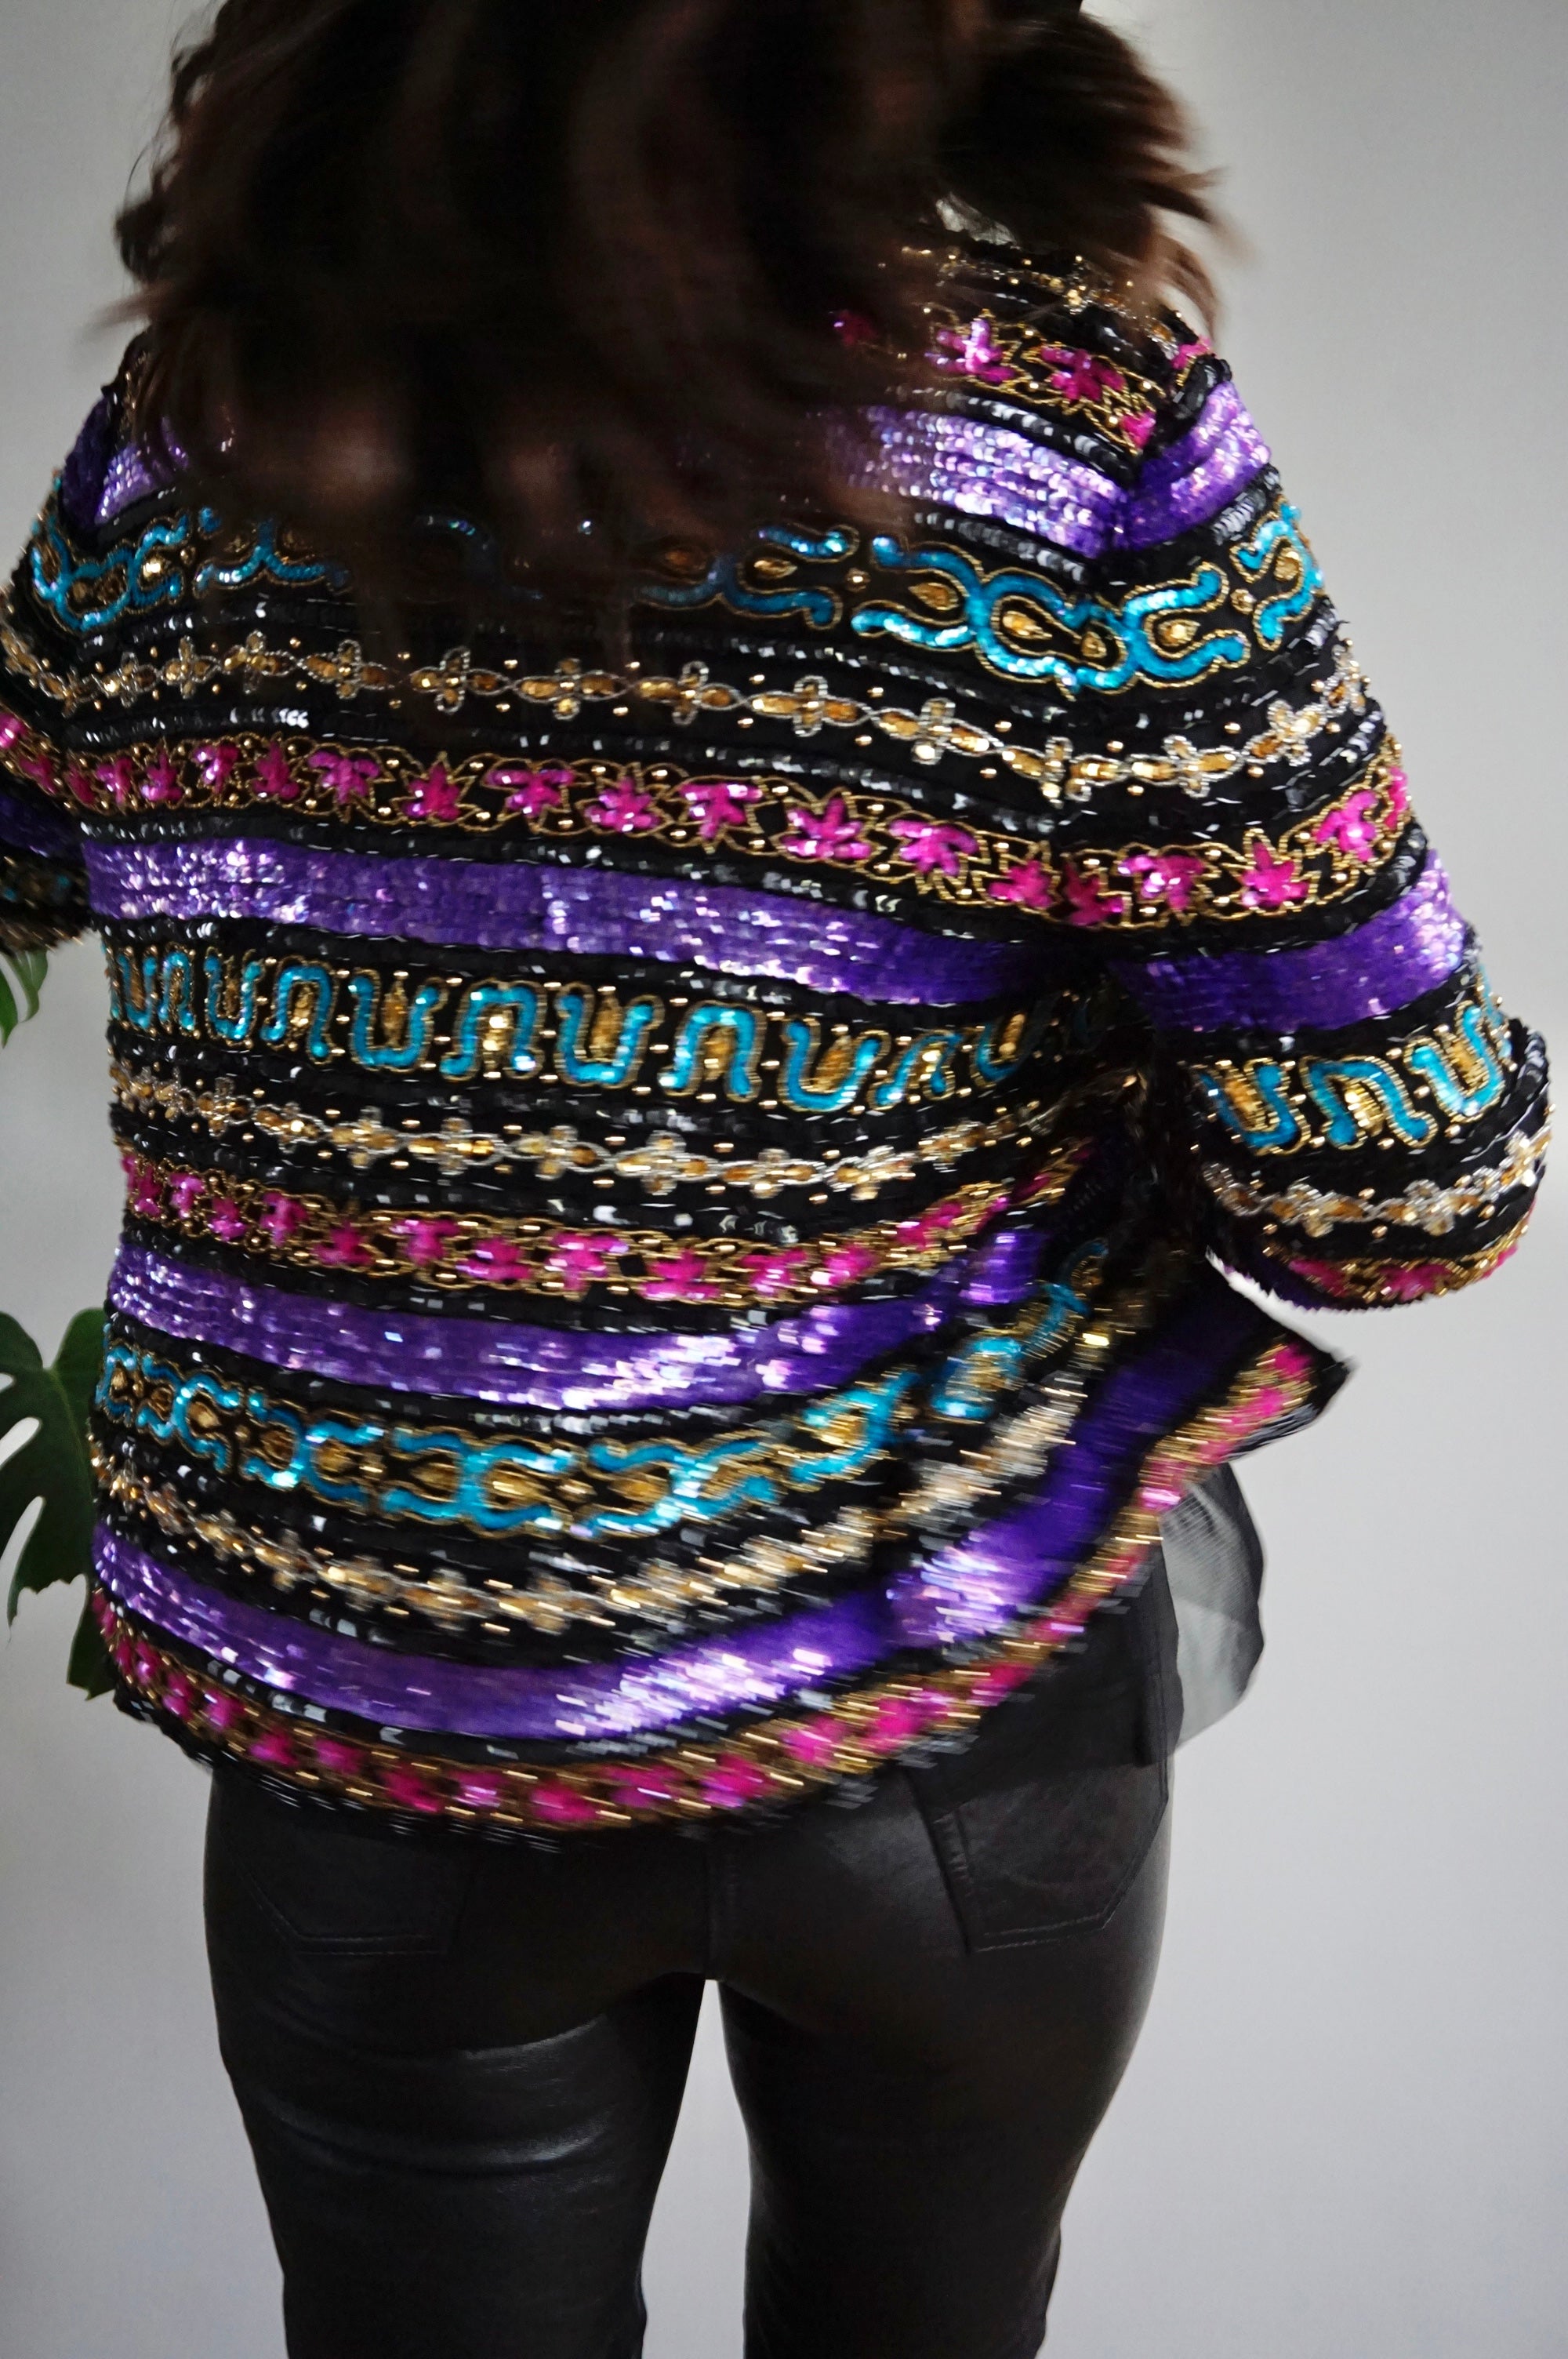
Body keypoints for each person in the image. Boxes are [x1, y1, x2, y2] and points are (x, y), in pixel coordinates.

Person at [0, 3, 1547, 2354]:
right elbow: (1406, 1190)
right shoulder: (1069, 428)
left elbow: (24, 850)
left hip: (379, 1689)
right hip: (943, 1709)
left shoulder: (194, 433)